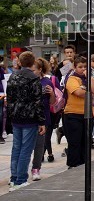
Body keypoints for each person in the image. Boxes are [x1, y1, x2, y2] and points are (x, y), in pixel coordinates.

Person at [6, 51, 46, 191]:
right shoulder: (33, 79)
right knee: (26, 149)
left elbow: (9, 99)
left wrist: (11, 116)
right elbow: (37, 102)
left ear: (20, 62)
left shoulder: (12, 76)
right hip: (29, 118)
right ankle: (21, 180)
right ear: (32, 62)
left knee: (16, 148)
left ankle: (14, 178)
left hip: (16, 117)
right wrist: (42, 122)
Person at [63, 56, 94, 168]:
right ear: (75, 67)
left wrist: (89, 78)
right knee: (75, 141)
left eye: (85, 67)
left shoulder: (88, 78)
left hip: (87, 114)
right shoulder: (72, 78)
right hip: (72, 114)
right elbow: (78, 92)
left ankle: (84, 163)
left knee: (86, 141)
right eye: (80, 67)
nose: (83, 69)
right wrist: (88, 90)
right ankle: (73, 164)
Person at [30, 58, 56, 181]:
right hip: (29, 117)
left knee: (40, 145)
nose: (31, 71)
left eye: (33, 69)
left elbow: (52, 102)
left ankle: (36, 168)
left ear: (40, 70)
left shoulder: (47, 81)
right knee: (25, 145)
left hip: (44, 116)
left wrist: (52, 93)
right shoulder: (28, 81)